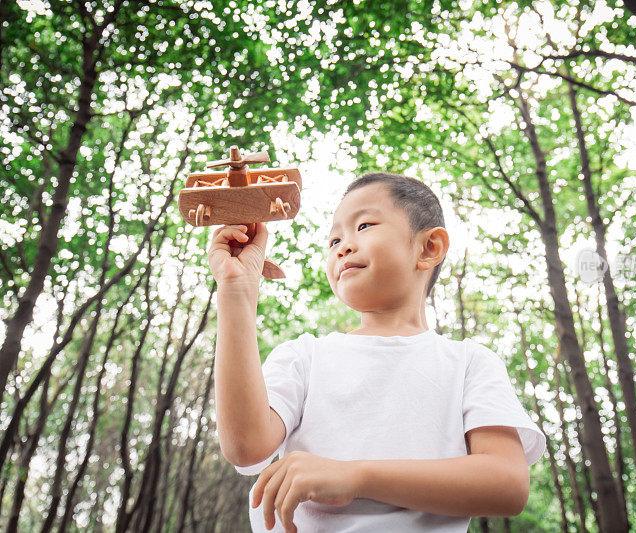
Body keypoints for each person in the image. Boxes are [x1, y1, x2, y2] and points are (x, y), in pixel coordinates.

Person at [210, 172, 545, 532]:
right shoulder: (303, 358)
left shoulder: (469, 364)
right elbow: (245, 447)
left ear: (429, 248)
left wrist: (354, 476)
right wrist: (237, 290)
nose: (342, 246)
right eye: (334, 239)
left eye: (365, 225)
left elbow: (507, 484)